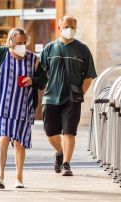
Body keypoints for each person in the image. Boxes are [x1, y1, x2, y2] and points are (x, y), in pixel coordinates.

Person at [0, 28, 47, 189]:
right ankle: (0, 176)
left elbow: (43, 80)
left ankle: (19, 178)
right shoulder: (1, 53)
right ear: (10, 42)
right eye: (18, 43)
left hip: (23, 108)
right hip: (3, 107)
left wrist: (32, 80)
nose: (22, 46)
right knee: (3, 138)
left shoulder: (33, 59)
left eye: (24, 43)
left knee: (19, 143)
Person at [40, 16, 97, 176]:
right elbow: (39, 72)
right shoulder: (49, 49)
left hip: (72, 98)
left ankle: (66, 164)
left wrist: (80, 94)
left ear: (76, 28)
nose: (69, 29)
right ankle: (60, 152)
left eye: (72, 26)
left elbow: (89, 75)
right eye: (66, 26)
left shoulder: (82, 49)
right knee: (50, 133)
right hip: (51, 97)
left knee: (69, 131)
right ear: (59, 27)